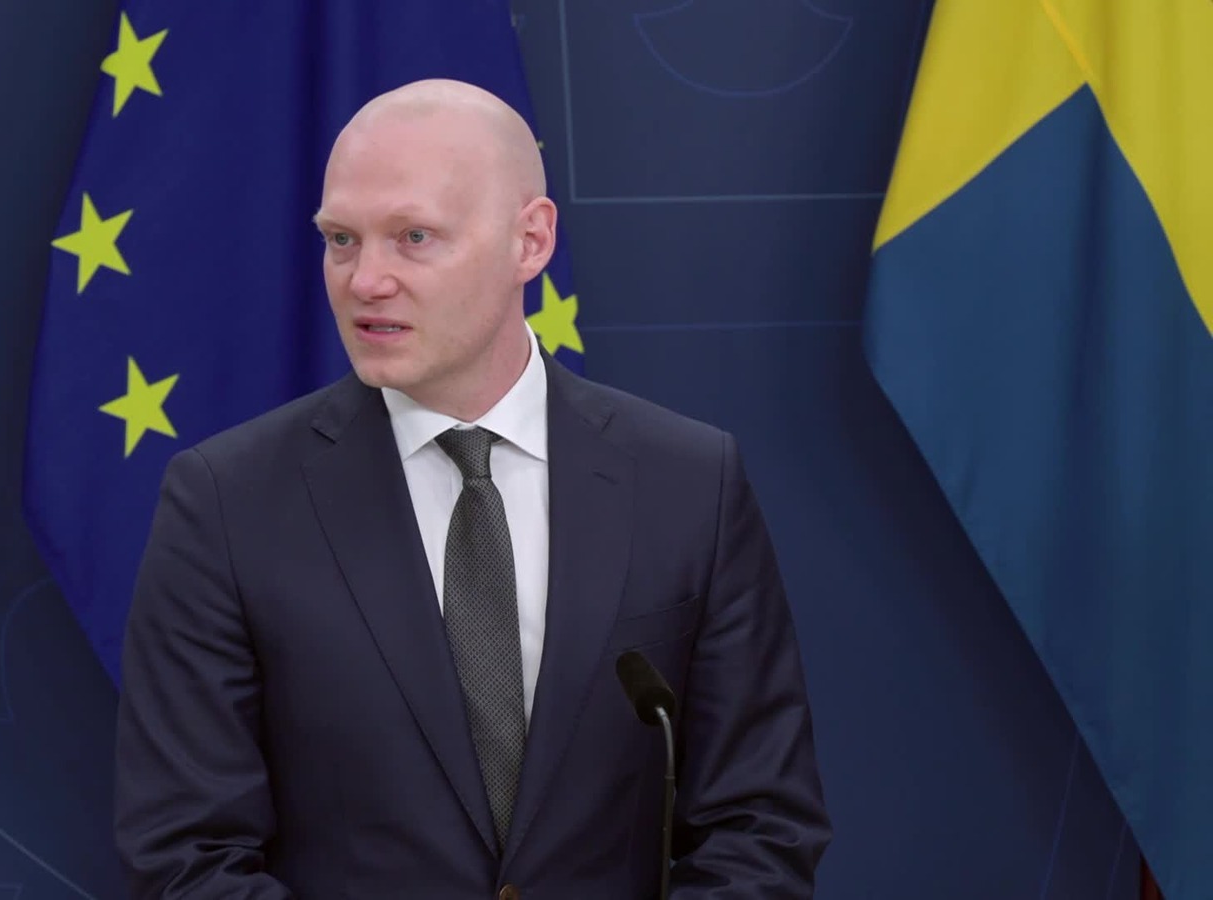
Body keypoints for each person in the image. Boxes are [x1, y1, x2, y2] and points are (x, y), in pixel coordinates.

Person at [113, 77, 831, 898]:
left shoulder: (689, 482)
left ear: (530, 240)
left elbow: (761, 826)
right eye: (341, 239)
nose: (365, 280)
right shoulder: (225, 503)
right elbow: (185, 856)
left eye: (413, 237)